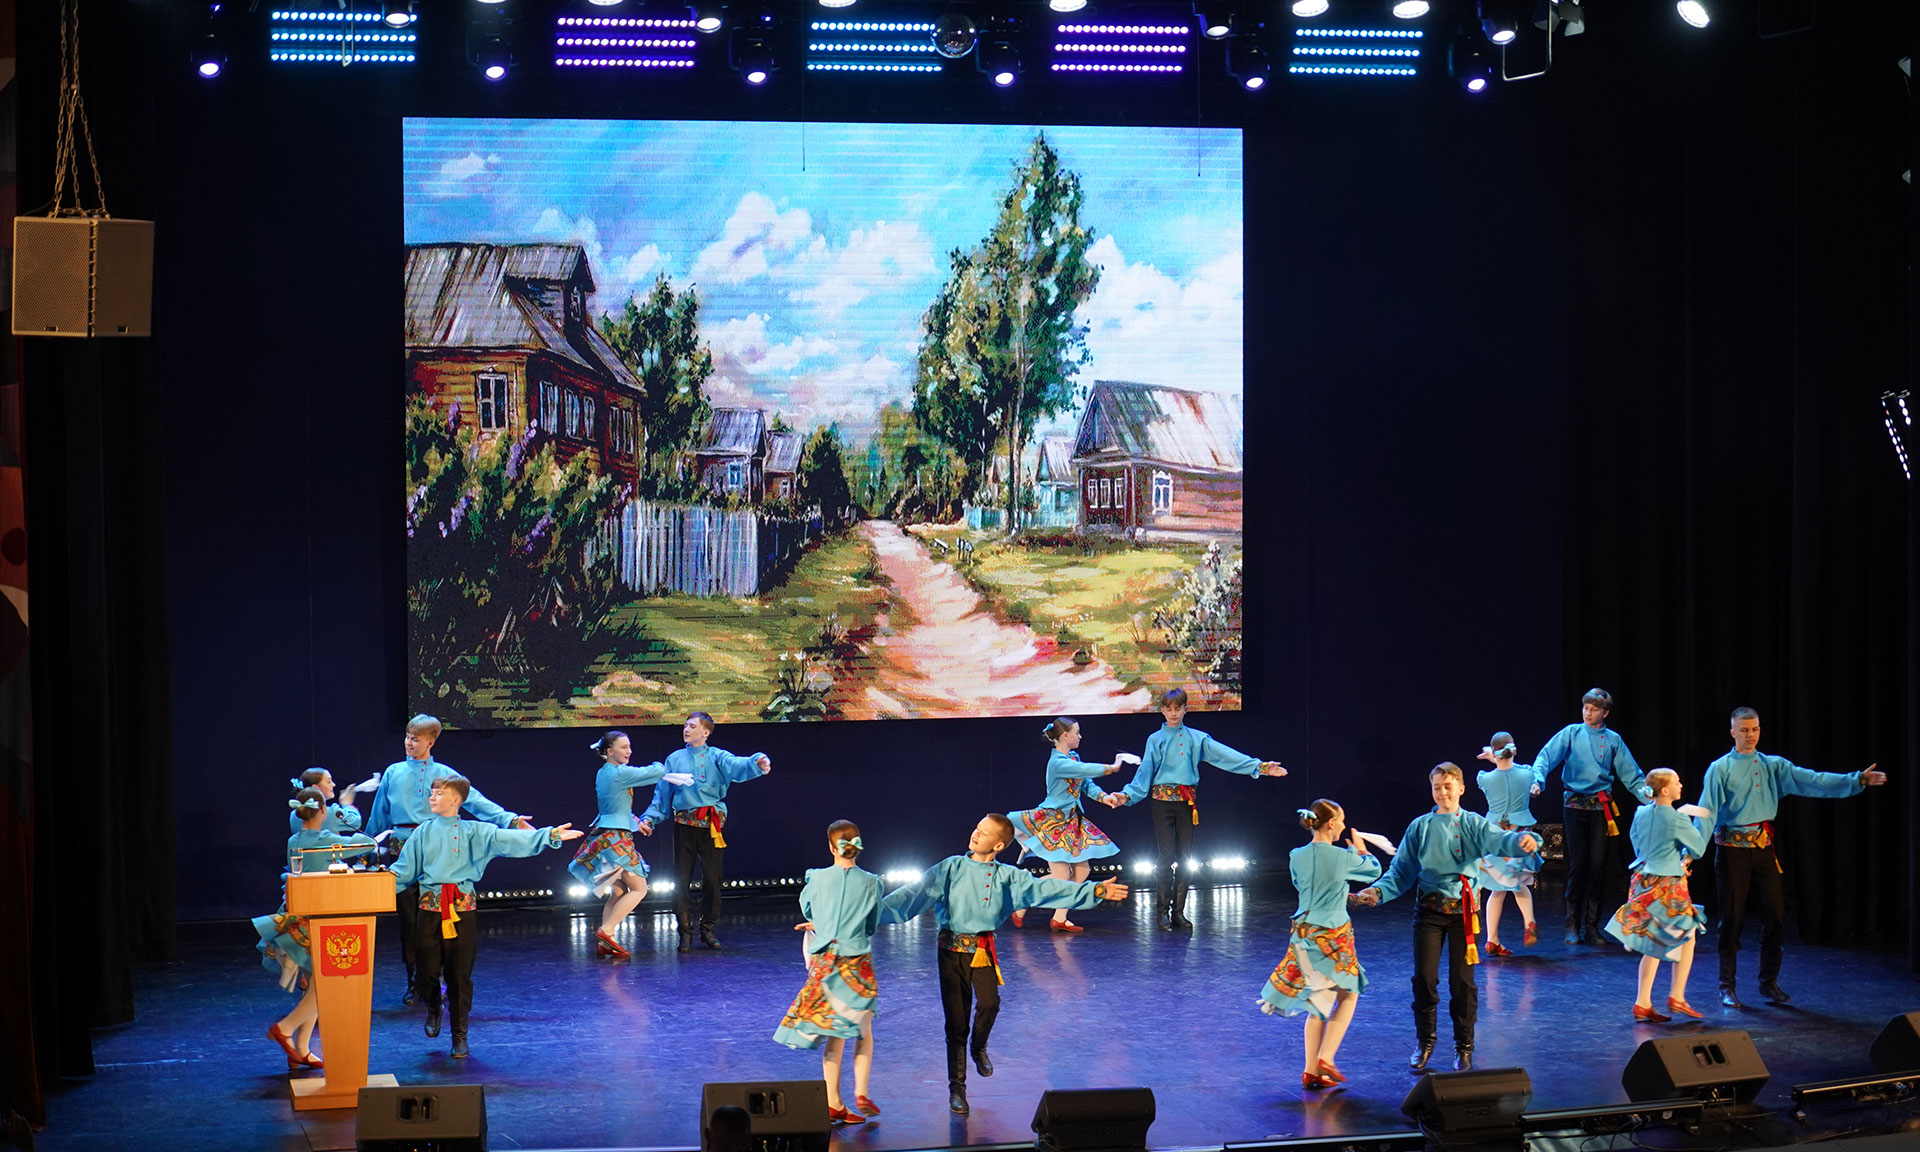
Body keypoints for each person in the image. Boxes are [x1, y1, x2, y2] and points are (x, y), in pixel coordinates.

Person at [879, 813, 1129, 1115]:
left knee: (990, 1004)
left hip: (982, 950)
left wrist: (1094, 890)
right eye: (977, 828)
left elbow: (1048, 889)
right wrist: (867, 912)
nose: (976, 834)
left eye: (984, 833)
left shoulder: (1008, 876)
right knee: (956, 1022)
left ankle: (978, 1046)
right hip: (951, 951)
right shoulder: (951, 867)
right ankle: (957, 1088)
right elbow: (912, 895)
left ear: (998, 845)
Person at [1351, 762, 1538, 1073]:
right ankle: (1425, 1042)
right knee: (1424, 979)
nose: (1442, 792)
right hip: (1429, 912)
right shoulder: (1420, 827)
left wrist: (1523, 842)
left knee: (1462, 983)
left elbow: (1500, 840)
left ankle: (1464, 1046)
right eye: (1436, 787)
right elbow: (1400, 872)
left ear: (1461, 789)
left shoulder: (1474, 824)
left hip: (1464, 915)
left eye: (1448, 786)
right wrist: (1377, 892)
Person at [1699, 707, 1887, 1007]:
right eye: (1744, 730)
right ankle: (1726, 986)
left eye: (1755, 729)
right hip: (1732, 851)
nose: (1750, 735)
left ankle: (1768, 982)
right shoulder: (1720, 768)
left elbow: (1813, 780)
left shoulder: (1773, 765)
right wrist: (1691, 851)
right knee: (1731, 919)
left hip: (1763, 850)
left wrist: (1856, 780)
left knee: (1776, 915)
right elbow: (1707, 812)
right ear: (1733, 732)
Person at [388, 774, 581, 1057]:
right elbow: (403, 871)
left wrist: (549, 835)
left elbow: (511, 839)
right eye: (431, 793)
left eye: (439, 793)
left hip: (461, 908)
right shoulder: (422, 832)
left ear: (456, 800)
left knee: (459, 974)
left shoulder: (476, 831)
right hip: (429, 909)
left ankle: (459, 1034)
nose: (432, 797)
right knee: (426, 972)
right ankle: (433, 1006)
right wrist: (373, 883)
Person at [366, 714, 531, 1004]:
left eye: (416, 739)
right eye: (407, 737)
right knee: (410, 922)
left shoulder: (444, 775)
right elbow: (379, 814)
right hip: (402, 849)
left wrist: (510, 819)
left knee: (440, 917)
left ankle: (439, 977)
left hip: (438, 849)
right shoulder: (393, 772)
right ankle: (415, 981)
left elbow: (476, 801)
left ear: (431, 741)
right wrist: (366, 848)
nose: (409, 743)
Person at [1106, 687, 1285, 931]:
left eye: (1177, 708)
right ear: (1162, 710)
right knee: (1166, 857)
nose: (1173, 713)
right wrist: (1126, 795)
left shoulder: (1197, 738)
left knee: (1185, 859)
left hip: (1186, 803)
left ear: (1185, 709)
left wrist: (1260, 767)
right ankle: (1162, 913)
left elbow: (1226, 756)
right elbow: (1144, 773)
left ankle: (1178, 912)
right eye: (1168, 709)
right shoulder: (1155, 739)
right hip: (1162, 804)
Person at [1259, 799, 1381, 1090]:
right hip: (1332, 934)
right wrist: (1360, 848)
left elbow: (1307, 887)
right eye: (1341, 820)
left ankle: (1311, 1071)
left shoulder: (1296, 855)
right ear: (1331, 823)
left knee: (1319, 1000)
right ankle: (1326, 1057)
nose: (1343, 825)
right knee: (1349, 994)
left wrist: (1340, 894)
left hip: (1303, 933)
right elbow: (1373, 870)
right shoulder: (1342, 857)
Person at [255, 788, 378, 1071]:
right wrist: (347, 809)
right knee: (326, 988)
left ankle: (300, 1049)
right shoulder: (325, 840)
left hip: (296, 918)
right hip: (317, 922)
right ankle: (285, 1028)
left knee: (315, 986)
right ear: (323, 810)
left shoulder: (294, 839)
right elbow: (366, 843)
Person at [773, 820, 885, 1125]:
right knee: (862, 1029)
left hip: (826, 962)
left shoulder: (817, 877)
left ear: (831, 847)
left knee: (836, 1032)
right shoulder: (872, 882)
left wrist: (823, 922)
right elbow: (871, 925)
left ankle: (833, 1101)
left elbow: (809, 909)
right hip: (856, 963)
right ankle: (860, 1091)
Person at [638, 712, 771, 953]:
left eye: (692, 726)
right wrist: (649, 818)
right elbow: (662, 794)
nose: (686, 730)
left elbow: (737, 764)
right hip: (685, 825)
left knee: (712, 878)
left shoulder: (717, 756)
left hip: (711, 826)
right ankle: (685, 931)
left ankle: (707, 928)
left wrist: (756, 762)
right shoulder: (674, 758)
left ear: (705, 732)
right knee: (681, 879)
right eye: (685, 725)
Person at [1532, 688, 1654, 945]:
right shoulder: (1571, 733)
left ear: (1605, 713)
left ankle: (1591, 925)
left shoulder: (1612, 740)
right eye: (1585, 708)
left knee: (1598, 867)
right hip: (1574, 806)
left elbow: (1631, 775)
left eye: (1594, 709)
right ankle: (1572, 925)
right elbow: (1546, 756)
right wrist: (1538, 780)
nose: (1588, 713)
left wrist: (1651, 798)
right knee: (1577, 865)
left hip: (1600, 809)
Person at [567, 730, 693, 959]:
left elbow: (615, 806)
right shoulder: (619, 773)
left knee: (618, 891)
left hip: (606, 835)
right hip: (616, 839)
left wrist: (636, 822)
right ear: (609, 751)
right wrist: (664, 765)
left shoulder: (604, 772)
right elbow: (655, 772)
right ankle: (606, 931)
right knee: (639, 888)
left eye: (629, 747)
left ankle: (606, 942)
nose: (629, 751)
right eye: (624, 747)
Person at [1604, 769, 1710, 1021]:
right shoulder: (1677, 818)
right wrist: (1699, 820)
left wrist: (1663, 857)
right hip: (1667, 884)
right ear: (1664, 790)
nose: (1680, 785)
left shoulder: (1641, 812)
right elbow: (1697, 848)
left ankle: (1643, 1002)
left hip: (1643, 878)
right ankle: (1677, 996)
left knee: (1655, 940)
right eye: (1676, 782)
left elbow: (1636, 842)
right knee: (1687, 934)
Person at [1009, 717, 1123, 932]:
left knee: (1082, 870)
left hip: (1071, 821)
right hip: (1054, 822)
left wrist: (1104, 797)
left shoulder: (1073, 757)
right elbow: (1086, 770)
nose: (1080, 736)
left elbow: (1086, 783)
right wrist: (1111, 768)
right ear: (1065, 736)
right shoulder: (1058, 763)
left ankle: (1059, 917)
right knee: (1062, 875)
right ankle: (1022, 899)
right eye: (1077, 733)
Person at [1473, 733, 1544, 955]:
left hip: (1496, 836)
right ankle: (1529, 921)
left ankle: (1492, 939)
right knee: (1518, 883)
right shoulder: (1526, 774)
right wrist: (1497, 756)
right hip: (1520, 835)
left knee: (1498, 889)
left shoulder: (1485, 779)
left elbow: (1501, 770)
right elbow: (1517, 769)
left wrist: (1492, 758)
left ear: (1495, 753)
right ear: (1515, 751)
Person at [286, 767, 381, 836]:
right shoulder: (328, 813)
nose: (334, 784)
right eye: (329, 782)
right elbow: (356, 822)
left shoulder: (294, 815)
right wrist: (347, 804)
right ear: (315, 788)